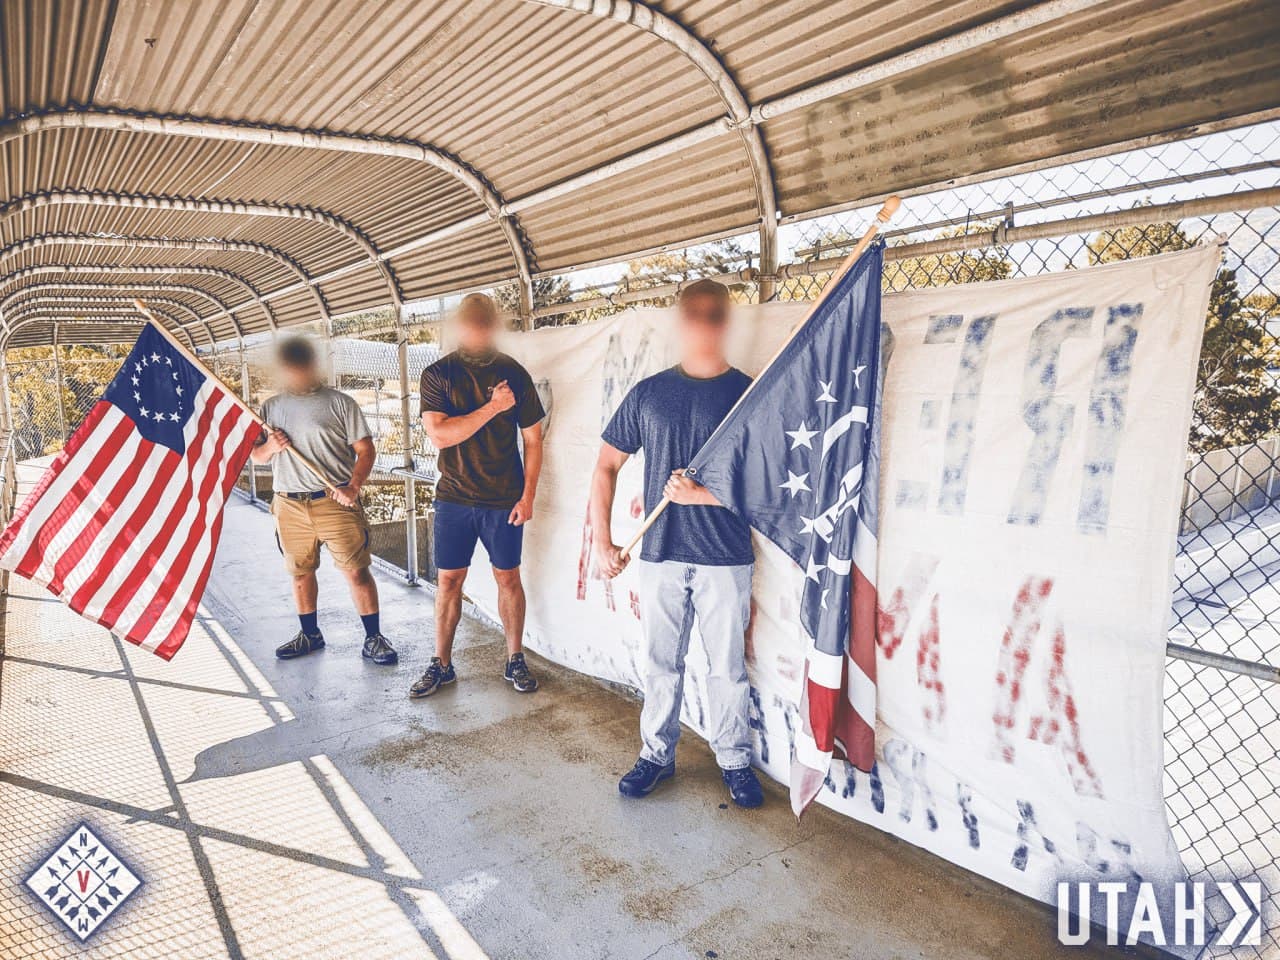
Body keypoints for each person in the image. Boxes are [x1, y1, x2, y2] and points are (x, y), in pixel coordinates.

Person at [590, 279, 764, 809]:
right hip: (661, 555)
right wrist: (604, 542)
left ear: (726, 322)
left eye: (715, 313)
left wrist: (702, 497)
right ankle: (656, 755)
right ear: (680, 321)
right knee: (662, 663)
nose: (704, 323)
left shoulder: (750, 395)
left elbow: (769, 486)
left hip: (725, 559)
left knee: (727, 669)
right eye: (694, 313)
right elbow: (605, 466)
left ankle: (734, 760)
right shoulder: (649, 394)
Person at [411, 292, 545, 698]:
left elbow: (534, 441)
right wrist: (493, 407)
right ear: (458, 325)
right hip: (453, 497)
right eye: (470, 321)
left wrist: (528, 496)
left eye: (484, 321)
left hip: (504, 498)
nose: (477, 329)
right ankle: (442, 664)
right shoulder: (438, 374)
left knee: (508, 578)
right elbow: (440, 435)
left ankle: (514, 659)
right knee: (449, 581)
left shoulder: (514, 373)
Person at [251, 336, 398, 666]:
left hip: (334, 501)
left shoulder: (340, 403)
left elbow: (365, 450)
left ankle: (374, 638)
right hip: (288, 504)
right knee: (300, 574)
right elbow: (257, 457)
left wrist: (353, 486)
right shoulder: (270, 408)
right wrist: (271, 447)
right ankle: (310, 635)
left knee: (357, 572)